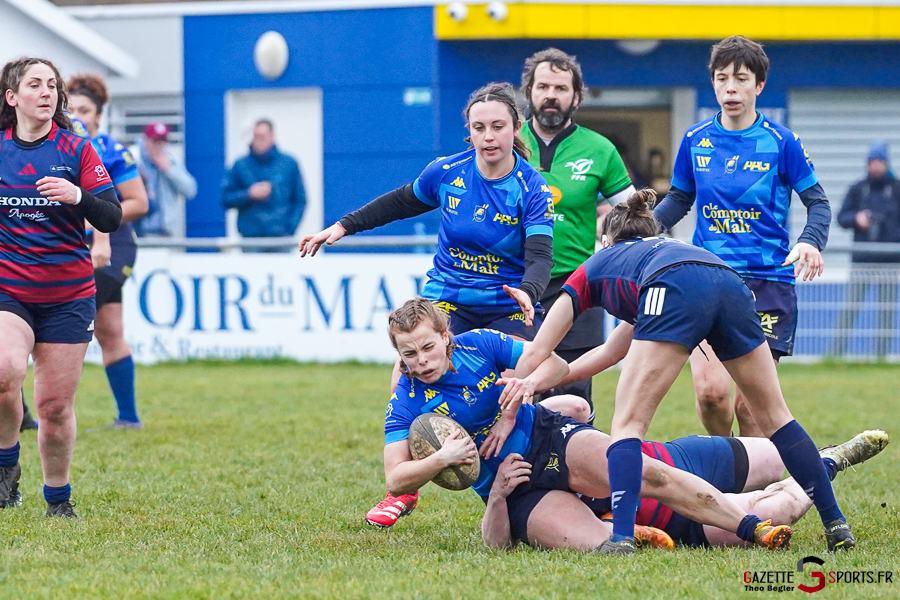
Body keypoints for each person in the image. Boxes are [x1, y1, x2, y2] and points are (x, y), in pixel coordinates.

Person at [514, 189, 854, 554]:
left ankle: (622, 538)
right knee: (776, 416)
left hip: (675, 286)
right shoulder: (658, 254)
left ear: (606, 241)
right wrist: (558, 377)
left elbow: (538, 349)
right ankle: (836, 523)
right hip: (729, 280)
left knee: (627, 427)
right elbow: (613, 350)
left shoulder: (597, 265)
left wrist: (517, 386)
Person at [300, 83, 555, 527]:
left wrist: (529, 292)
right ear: (469, 132)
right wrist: (340, 228)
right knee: (406, 369)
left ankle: (527, 474)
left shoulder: (532, 188)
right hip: (448, 297)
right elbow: (397, 203)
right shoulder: (448, 172)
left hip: (506, 300)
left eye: (498, 126)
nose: (488, 136)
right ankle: (403, 490)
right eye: (479, 128)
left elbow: (540, 256)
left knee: (526, 375)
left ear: (516, 128)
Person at [381, 298, 794, 552]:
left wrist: (515, 399)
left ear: (446, 335)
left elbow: (555, 361)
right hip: (512, 488)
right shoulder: (404, 402)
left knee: (650, 473)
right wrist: (444, 457)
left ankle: (750, 526)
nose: (422, 361)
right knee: (600, 547)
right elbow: (397, 479)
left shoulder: (480, 344)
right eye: (409, 354)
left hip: (549, 438)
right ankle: (624, 526)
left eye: (428, 347)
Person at [653, 36, 831, 438]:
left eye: (741, 79)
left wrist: (809, 240)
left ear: (759, 86)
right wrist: (642, 229)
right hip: (709, 280)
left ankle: (751, 484)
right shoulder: (696, 139)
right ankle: (724, 461)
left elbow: (818, 203)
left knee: (750, 407)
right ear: (713, 84)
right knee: (712, 394)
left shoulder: (782, 142)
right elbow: (680, 198)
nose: (730, 88)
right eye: (721, 79)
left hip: (768, 283)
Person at [0, 57, 122, 517]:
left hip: (68, 295)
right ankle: (5, 471)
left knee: (53, 408)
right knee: (4, 370)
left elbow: (111, 215)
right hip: (9, 289)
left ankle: (58, 499)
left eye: (52, 85)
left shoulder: (77, 150)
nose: (47, 92)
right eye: (35, 85)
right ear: (13, 98)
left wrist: (78, 197)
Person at [483, 425, 887, 550]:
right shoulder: (532, 501)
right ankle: (831, 462)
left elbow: (575, 405)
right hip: (679, 520)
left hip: (678, 458)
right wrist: (498, 497)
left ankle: (816, 462)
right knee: (779, 511)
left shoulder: (558, 431)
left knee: (777, 454)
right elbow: (500, 544)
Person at [518, 48, 635, 419]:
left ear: (576, 97)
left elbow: (635, 215)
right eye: (543, 86)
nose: (551, 94)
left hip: (578, 288)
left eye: (561, 87)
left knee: (572, 393)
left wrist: (612, 230)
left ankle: (572, 473)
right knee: (516, 386)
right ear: (529, 92)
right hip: (516, 286)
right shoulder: (505, 141)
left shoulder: (600, 150)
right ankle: (517, 472)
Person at [67, 74, 150, 429]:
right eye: (70, 109)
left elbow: (139, 202)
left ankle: (43, 414)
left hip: (114, 246)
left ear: (99, 115)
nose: (77, 116)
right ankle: (129, 418)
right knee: (110, 330)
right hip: (76, 246)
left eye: (84, 110)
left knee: (66, 322)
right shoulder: (60, 150)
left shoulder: (112, 151)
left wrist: (93, 220)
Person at [831, 141, 900, 357]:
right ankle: (835, 354)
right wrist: (857, 219)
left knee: (886, 313)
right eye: (872, 162)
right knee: (850, 308)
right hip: (861, 260)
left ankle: (881, 356)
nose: (876, 166)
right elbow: (841, 217)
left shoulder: (897, 189)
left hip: (890, 262)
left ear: (886, 163)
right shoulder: (859, 188)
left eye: (880, 162)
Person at [222, 119, 306, 249]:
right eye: (255, 137)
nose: (258, 141)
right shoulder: (240, 166)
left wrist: (290, 228)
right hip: (251, 239)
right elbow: (225, 198)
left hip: (281, 238)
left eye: (262, 137)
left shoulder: (289, 164)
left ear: (272, 137)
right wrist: (248, 194)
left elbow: (300, 199)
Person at [131, 121, 197, 237]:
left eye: (163, 141)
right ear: (146, 140)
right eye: (155, 141)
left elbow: (190, 190)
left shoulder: (172, 160)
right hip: (138, 229)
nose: (159, 145)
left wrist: (170, 171)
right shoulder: (133, 158)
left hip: (165, 231)